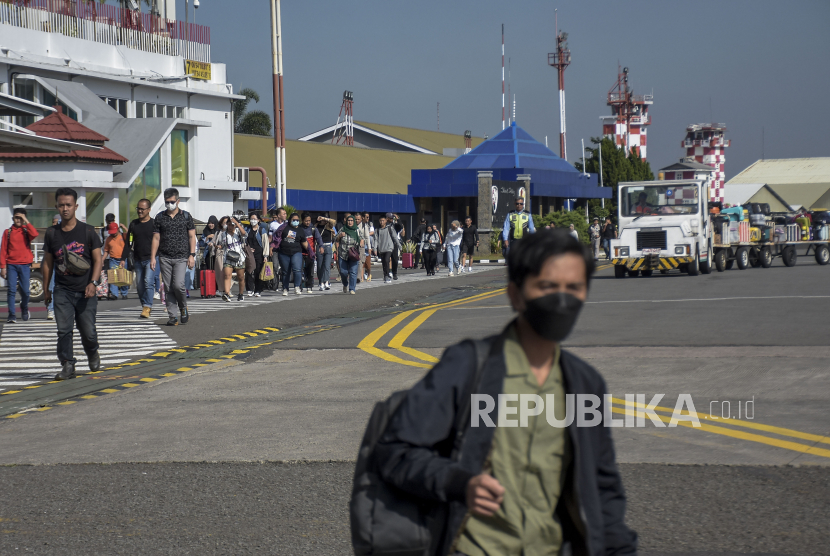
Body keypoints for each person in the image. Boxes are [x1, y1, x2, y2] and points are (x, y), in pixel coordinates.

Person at [371, 229, 637, 556]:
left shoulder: (584, 384)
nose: (563, 299)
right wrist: (458, 482)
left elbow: (602, 490)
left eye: (575, 288)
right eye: (547, 286)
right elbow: (394, 450)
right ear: (515, 295)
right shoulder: (468, 367)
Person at [41, 188, 103, 380]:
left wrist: (93, 282)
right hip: (62, 290)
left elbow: (98, 260)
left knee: (88, 332)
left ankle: (92, 351)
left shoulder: (88, 231)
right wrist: (46, 290)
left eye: (69, 205)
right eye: (61, 205)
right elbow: (47, 263)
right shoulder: (52, 233)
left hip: (86, 291)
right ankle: (68, 365)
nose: (65, 209)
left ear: (76, 206)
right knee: (63, 330)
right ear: (57, 207)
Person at [150, 188, 196, 326]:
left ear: (178, 201)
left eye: (172, 201)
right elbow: (156, 238)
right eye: (167, 202)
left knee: (178, 285)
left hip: (182, 256)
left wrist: (192, 255)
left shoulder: (186, 216)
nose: (169, 204)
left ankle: (183, 307)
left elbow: (192, 236)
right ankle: (172, 316)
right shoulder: (159, 217)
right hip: (164, 256)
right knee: (168, 287)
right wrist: (153, 257)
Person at [1, 207, 39, 323]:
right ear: (13, 218)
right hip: (11, 264)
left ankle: (24, 307)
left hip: (25, 264)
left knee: (26, 291)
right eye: (17, 217)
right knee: (11, 290)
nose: (18, 220)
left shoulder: (26, 231)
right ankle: (12, 314)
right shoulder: (8, 232)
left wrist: (26, 220)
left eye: (21, 218)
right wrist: (2, 267)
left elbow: (35, 234)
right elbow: (3, 250)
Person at [124, 199, 158, 318]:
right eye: (138, 208)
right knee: (139, 286)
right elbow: (129, 242)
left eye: (142, 209)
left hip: (151, 259)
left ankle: (147, 306)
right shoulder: (134, 224)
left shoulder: (154, 224)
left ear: (149, 210)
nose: (139, 211)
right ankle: (145, 305)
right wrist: (123, 259)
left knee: (148, 282)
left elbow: (159, 241)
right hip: (138, 259)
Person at [218, 215, 247, 302]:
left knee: (241, 277)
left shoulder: (238, 232)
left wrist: (237, 223)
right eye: (229, 225)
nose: (230, 227)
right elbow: (222, 245)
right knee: (227, 275)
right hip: (228, 256)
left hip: (239, 257)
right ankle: (227, 294)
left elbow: (244, 234)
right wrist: (218, 246)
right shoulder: (223, 234)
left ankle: (241, 294)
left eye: (232, 225)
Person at [278, 212, 308, 296]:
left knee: (297, 270)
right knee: (285, 272)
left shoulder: (300, 230)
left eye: (297, 220)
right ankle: (285, 288)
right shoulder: (284, 228)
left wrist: (310, 251)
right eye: (293, 220)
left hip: (296, 252)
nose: (295, 221)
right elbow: (277, 238)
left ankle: (297, 287)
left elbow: (304, 242)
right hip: (284, 253)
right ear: (290, 220)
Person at [336, 214, 363, 294]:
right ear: (346, 221)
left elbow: (362, 238)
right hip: (343, 254)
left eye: (351, 221)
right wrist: (340, 236)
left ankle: (352, 289)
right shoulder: (342, 229)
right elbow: (336, 239)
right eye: (348, 220)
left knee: (353, 272)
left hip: (353, 254)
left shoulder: (357, 230)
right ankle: (345, 284)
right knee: (343, 272)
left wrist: (361, 242)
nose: (350, 222)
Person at [246, 212, 270, 297]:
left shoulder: (261, 230)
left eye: (254, 219)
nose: (253, 221)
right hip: (249, 253)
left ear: (258, 220)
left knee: (258, 272)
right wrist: (248, 249)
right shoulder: (247, 230)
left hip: (259, 253)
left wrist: (265, 256)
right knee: (249, 271)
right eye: (251, 219)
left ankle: (258, 290)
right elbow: (244, 241)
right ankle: (249, 289)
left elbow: (265, 243)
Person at [103, 221, 129, 300]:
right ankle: (114, 294)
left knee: (123, 276)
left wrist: (124, 227)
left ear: (118, 230)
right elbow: (106, 251)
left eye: (114, 232)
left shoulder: (122, 236)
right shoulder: (108, 239)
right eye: (111, 232)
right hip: (113, 259)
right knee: (113, 277)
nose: (113, 233)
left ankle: (124, 293)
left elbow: (130, 235)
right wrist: (102, 260)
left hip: (123, 259)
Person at [299, 212, 322, 293]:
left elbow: (318, 238)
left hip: (310, 253)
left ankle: (309, 286)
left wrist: (321, 246)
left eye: (309, 220)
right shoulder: (299, 228)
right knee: (299, 270)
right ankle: (299, 287)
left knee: (310, 271)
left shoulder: (313, 229)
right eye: (306, 221)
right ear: (302, 220)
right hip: (300, 253)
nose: (307, 222)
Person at [375, 214, 400, 284]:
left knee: (387, 260)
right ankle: (385, 275)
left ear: (386, 221)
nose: (381, 222)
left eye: (383, 220)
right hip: (382, 248)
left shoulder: (390, 228)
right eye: (380, 221)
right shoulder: (377, 230)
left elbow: (395, 237)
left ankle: (388, 274)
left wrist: (399, 245)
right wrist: (374, 248)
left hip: (389, 247)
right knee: (384, 262)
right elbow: (375, 240)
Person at [316, 213, 337, 291]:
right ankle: (321, 282)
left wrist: (325, 218)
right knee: (320, 266)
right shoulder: (316, 226)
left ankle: (327, 282)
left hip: (328, 246)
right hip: (319, 247)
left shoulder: (329, 226)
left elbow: (334, 221)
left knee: (327, 265)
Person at [269, 207, 288, 291]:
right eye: (283, 214)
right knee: (275, 267)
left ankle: (285, 284)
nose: (285, 215)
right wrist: (269, 247)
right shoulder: (272, 224)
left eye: (286, 214)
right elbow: (270, 237)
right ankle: (275, 285)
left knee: (285, 267)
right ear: (279, 215)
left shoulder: (287, 224)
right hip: (275, 248)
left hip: (284, 248)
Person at [46, 213, 60, 320]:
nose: (55, 224)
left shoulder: (66, 232)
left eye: (57, 222)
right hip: (53, 262)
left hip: (64, 263)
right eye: (54, 222)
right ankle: (50, 309)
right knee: (51, 286)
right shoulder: (50, 232)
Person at [358, 212, 374, 281]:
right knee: (361, 263)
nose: (368, 218)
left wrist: (370, 248)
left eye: (368, 217)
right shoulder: (357, 225)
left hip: (366, 247)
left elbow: (367, 237)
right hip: (359, 247)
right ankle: (361, 278)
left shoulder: (366, 225)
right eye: (367, 217)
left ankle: (369, 274)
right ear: (363, 217)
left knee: (367, 264)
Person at [389, 213, 405, 280]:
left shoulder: (396, 225)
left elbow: (401, 227)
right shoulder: (386, 225)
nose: (392, 219)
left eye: (393, 218)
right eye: (391, 218)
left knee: (395, 259)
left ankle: (394, 273)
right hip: (387, 243)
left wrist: (398, 219)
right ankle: (388, 272)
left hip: (395, 243)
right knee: (387, 259)